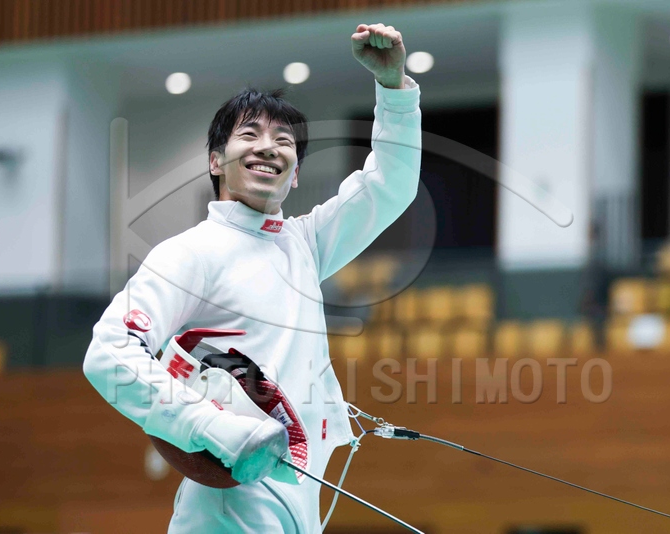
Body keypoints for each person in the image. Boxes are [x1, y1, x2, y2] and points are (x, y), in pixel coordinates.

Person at [83, 23, 421, 533]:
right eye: (249, 135)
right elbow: (109, 353)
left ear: (295, 173)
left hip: (298, 496)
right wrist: (209, 426)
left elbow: (389, 185)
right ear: (216, 161)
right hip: (231, 504)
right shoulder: (191, 253)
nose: (269, 148)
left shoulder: (304, 244)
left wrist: (393, 88)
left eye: (283, 141)